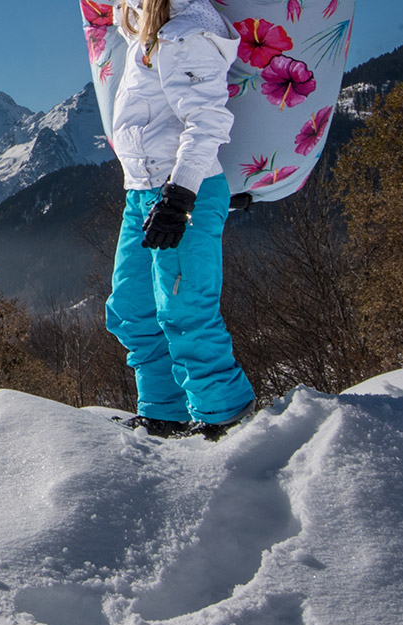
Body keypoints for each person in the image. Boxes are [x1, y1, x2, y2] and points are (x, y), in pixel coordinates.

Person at [104, 0, 254, 440]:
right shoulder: (147, 29)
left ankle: (223, 417)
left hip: (184, 190)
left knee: (186, 310)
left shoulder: (187, 34)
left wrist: (179, 194)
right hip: (141, 192)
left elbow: (207, 121)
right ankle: (162, 413)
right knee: (132, 310)